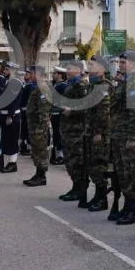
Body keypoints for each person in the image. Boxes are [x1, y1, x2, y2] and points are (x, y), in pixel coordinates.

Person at [109, 51, 135, 227]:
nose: (120, 65)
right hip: (120, 135)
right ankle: (127, 206)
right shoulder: (125, 82)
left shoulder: (134, 82)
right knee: (123, 173)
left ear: (133, 64)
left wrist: (133, 137)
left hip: (129, 136)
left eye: (123, 62)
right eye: (120, 62)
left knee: (132, 174)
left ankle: (133, 210)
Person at [83, 56, 112, 211]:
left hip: (100, 133)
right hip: (90, 130)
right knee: (92, 165)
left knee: (100, 165)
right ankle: (97, 195)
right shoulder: (92, 86)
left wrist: (99, 131)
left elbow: (104, 112)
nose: (90, 67)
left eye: (93, 65)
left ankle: (102, 198)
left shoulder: (103, 86)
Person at [58, 60, 90, 201]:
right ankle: (75, 186)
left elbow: (86, 108)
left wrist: (72, 111)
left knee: (77, 161)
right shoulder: (70, 85)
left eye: (70, 68)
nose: (67, 71)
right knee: (70, 160)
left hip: (77, 130)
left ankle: (80, 188)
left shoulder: (82, 86)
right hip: (68, 129)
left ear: (78, 70)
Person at [24, 66, 55, 187]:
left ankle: (42, 176)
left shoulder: (43, 88)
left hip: (39, 127)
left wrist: (41, 128)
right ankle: (38, 173)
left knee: (41, 151)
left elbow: (44, 110)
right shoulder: (37, 88)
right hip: (34, 126)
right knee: (36, 151)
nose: (30, 75)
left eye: (31, 73)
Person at [0, 62, 24, 173]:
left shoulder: (15, 83)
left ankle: (13, 164)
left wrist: (10, 115)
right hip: (5, 114)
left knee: (12, 140)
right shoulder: (9, 82)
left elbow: (14, 101)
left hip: (12, 116)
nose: (5, 71)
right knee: (6, 140)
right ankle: (8, 162)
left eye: (7, 69)